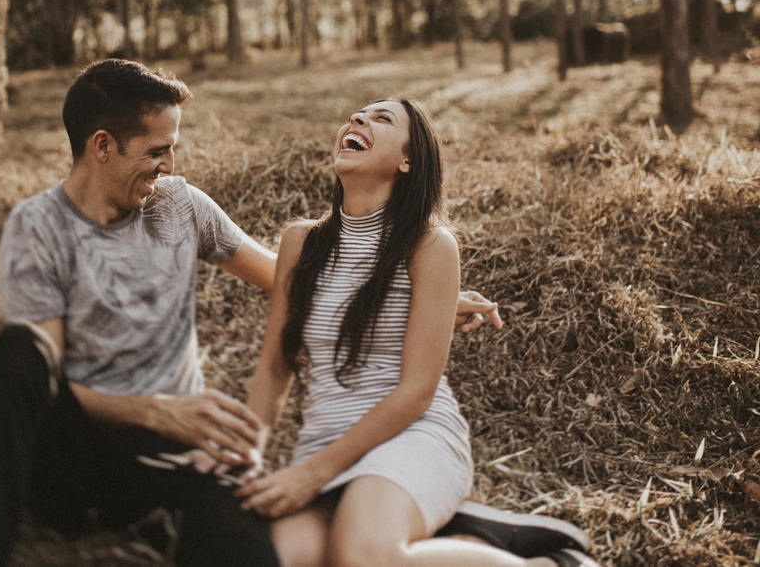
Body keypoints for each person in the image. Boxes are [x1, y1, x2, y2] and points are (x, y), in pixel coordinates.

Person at [0, 60, 589, 566]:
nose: (172, 165)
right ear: (102, 146)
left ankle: (484, 540)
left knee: (277, 550)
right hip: (86, 442)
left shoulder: (179, 206)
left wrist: (432, 304)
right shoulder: (39, 228)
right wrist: (158, 410)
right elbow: (44, 381)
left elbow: (295, 287)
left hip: (189, 454)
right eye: (158, 150)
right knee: (14, 358)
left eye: (174, 149)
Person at [232, 98, 598, 567]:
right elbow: (274, 365)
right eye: (356, 115)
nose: (358, 119)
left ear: (408, 160)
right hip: (325, 441)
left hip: (411, 437)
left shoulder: (430, 245)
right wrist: (243, 456)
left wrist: (310, 476)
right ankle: (470, 538)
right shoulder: (299, 242)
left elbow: (417, 392)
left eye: (381, 118)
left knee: (362, 557)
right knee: (277, 559)